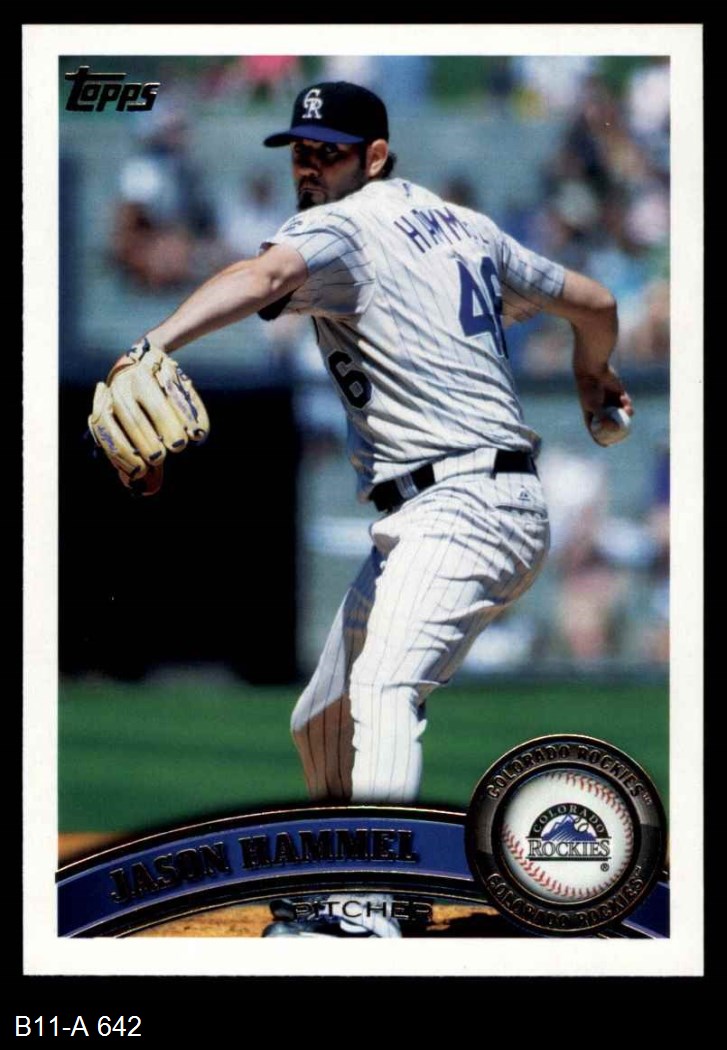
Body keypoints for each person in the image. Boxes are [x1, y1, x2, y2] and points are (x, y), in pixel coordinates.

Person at [90, 81, 633, 936]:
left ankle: (367, 903)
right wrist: (591, 373)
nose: (309, 165)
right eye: (300, 151)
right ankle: (368, 876)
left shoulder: (341, 225)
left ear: (374, 156)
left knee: (383, 687)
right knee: (324, 719)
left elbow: (264, 273)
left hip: (464, 504)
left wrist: (151, 344)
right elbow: (594, 302)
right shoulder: (465, 225)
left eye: (329, 151)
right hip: (453, 508)